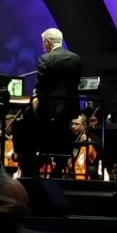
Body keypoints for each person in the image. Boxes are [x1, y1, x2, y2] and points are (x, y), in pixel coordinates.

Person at [28, 27, 82, 178]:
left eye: (43, 43)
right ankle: (60, 165)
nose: (42, 47)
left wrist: (36, 93)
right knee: (63, 136)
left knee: (28, 123)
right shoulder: (76, 58)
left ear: (47, 42)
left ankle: (33, 165)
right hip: (69, 109)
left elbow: (41, 86)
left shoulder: (46, 59)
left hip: (49, 110)